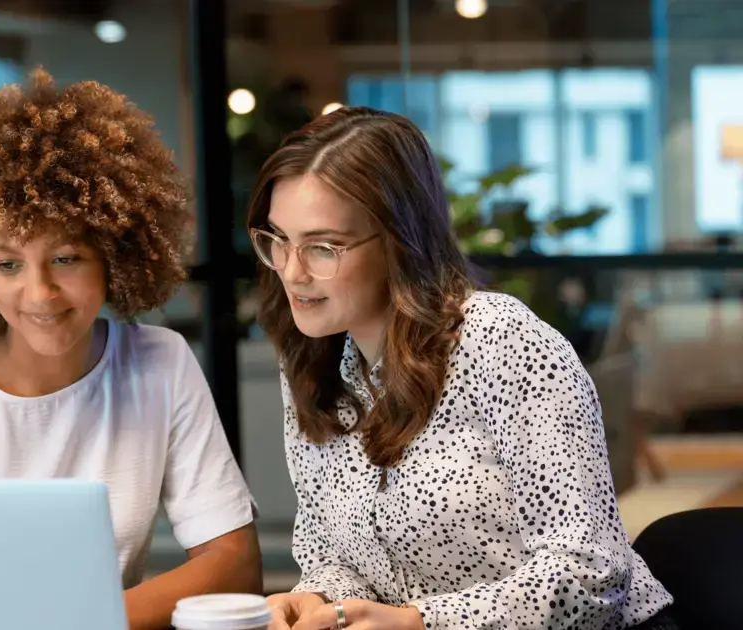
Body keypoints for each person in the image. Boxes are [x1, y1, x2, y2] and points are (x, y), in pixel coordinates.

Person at [0, 68, 262, 630]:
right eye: (7, 264)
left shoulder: (159, 365)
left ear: (115, 255)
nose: (39, 293)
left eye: (66, 258)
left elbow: (234, 565)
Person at [247, 107, 677, 630]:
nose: (292, 272)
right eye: (277, 240)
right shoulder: (313, 361)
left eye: (322, 247)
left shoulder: (501, 343)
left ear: (398, 244)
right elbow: (327, 549)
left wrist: (418, 622)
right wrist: (315, 597)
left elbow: (592, 573)